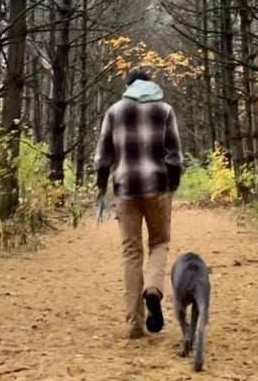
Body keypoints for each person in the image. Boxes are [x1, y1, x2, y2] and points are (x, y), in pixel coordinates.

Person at [94, 68, 184, 339]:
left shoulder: (114, 111)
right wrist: (172, 185)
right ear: (150, 84)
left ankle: (134, 323)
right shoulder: (165, 110)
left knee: (131, 253)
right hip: (157, 187)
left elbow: (102, 156)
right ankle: (153, 290)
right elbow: (175, 155)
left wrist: (101, 187)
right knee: (159, 243)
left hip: (125, 189)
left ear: (128, 86)